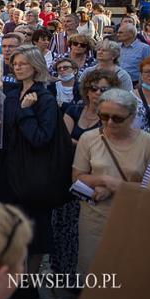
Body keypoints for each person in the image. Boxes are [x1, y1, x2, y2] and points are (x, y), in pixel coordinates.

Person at [0, 45, 58, 299]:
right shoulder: (11, 94)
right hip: (7, 170)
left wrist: (27, 111)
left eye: (23, 64)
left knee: (33, 231)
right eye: (15, 63)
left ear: (36, 66)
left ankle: (27, 284)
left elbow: (41, 139)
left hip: (32, 175)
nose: (17, 67)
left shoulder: (45, 99)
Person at [73, 89, 150, 274]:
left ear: (132, 116)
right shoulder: (88, 138)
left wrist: (117, 187)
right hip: (94, 219)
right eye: (104, 116)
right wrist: (102, 179)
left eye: (118, 118)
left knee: (125, 274)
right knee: (94, 272)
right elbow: (77, 176)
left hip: (133, 219)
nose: (110, 123)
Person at [49, 69, 114, 276]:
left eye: (103, 89)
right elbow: (62, 139)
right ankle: (62, 271)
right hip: (67, 174)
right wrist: (85, 143)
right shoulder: (74, 110)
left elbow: (107, 146)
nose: (97, 93)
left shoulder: (113, 117)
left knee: (86, 232)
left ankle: (84, 275)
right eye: (94, 88)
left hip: (93, 178)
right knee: (63, 227)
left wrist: (79, 144)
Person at [117, 22, 150, 87]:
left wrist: (141, 83)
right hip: (116, 83)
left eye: (121, 32)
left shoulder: (144, 48)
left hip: (135, 84)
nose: (117, 34)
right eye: (118, 32)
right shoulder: (117, 47)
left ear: (131, 34)